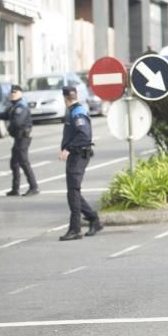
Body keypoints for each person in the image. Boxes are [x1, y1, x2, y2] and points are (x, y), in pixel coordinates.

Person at [58, 86, 102, 241]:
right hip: (77, 154)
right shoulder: (76, 110)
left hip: (78, 154)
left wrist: (68, 149)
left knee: (73, 192)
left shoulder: (77, 112)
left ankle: (76, 229)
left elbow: (84, 135)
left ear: (65, 98)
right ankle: (93, 219)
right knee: (73, 191)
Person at [0, 85, 38, 197]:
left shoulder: (21, 107)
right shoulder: (14, 106)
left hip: (22, 138)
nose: (12, 94)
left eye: (14, 93)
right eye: (11, 93)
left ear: (20, 94)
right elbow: (7, 115)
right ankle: (15, 189)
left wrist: (9, 128)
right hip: (18, 138)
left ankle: (34, 187)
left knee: (24, 162)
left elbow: (17, 122)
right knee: (14, 163)